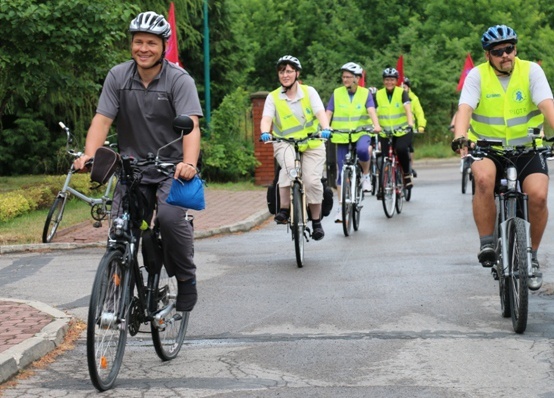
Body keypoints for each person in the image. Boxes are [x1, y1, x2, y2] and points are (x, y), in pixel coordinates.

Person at [74, 11, 203, 311]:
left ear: (163, 47)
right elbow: (103, 119)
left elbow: (192, 127)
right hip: (132, 169)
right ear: (131, 44)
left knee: (171, 220)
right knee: (120, 229)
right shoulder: (118, 76)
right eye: (138, 42)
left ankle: (186, 279)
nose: (143, 49)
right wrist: (90, 154)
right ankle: (114, 294)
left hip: (171, 167)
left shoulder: (178, 80)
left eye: (151, 43)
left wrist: (189, 163)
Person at [452, 24, 554, 290]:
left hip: (528, 147)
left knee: (539, 195)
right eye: (498, 51)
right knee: (483, 180)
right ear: (488, 55)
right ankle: (487, 242)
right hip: (489, 148)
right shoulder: (477, 76)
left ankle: (530, 256)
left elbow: (547, 105)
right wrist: (460, 135)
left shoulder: (532, 70)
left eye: (509, 48)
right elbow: (464, 108)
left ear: (515, 49)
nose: (505, 55)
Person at [260, 55, 331, 240]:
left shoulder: (309, 92)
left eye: (289, 71)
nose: (285, 75)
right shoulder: (273, 97)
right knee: (289, 168)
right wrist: (265, 132)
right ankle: (284, 209)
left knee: (312, 181)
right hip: (285, 142)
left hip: (312, 142)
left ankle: (316, 221)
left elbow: (320, 112)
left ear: (297, 73)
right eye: (282, 71)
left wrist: (325, 128)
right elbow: (266, 118)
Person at [325, 62, 381, 223]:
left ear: (357, 78)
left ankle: (365, 176)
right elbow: (328, 112)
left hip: (361, 132)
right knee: (341, 172)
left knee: (364, 150)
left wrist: (376, 125)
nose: (345, 79)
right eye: (343, 77)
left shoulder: (365, 94)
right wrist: (325, 127)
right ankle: (341, 207)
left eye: (348, 77)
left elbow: (371, 111)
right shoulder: (337, 93)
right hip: (341, 135)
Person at [373, 67, 415, 194]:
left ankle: (406, 174)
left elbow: (407, 108)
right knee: (384, 157)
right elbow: (373, 111)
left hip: (402, 130)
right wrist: (374, 125)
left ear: (396, 81)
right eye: (386, 80)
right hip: (385, 131)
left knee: (401, 149)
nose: (389, 82)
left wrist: (410, 123)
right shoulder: (378, 95)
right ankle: (383, 185)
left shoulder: (402, 92)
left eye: (391, 80)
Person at [403, 77, 426, 177]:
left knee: (409, 148)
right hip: (395, 126)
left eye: (404, 87)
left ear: (408, 88)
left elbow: (419, 113)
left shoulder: (413, 98)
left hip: (409, 127)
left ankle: (410, 166)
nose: (402, 89)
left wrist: (421, 126)